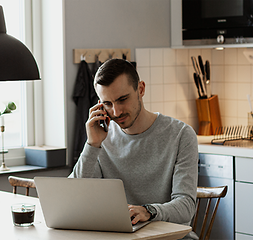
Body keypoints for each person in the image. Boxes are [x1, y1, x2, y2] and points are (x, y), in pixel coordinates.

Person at [69, 59, 199, 239]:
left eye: (123, 99)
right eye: (107, 103)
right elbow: (73, 197)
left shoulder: (181, 135)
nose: (116, 111)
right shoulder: (101, 138)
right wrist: (92, 145)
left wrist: (148, 211)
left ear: (141, 89)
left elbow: (186, 207)